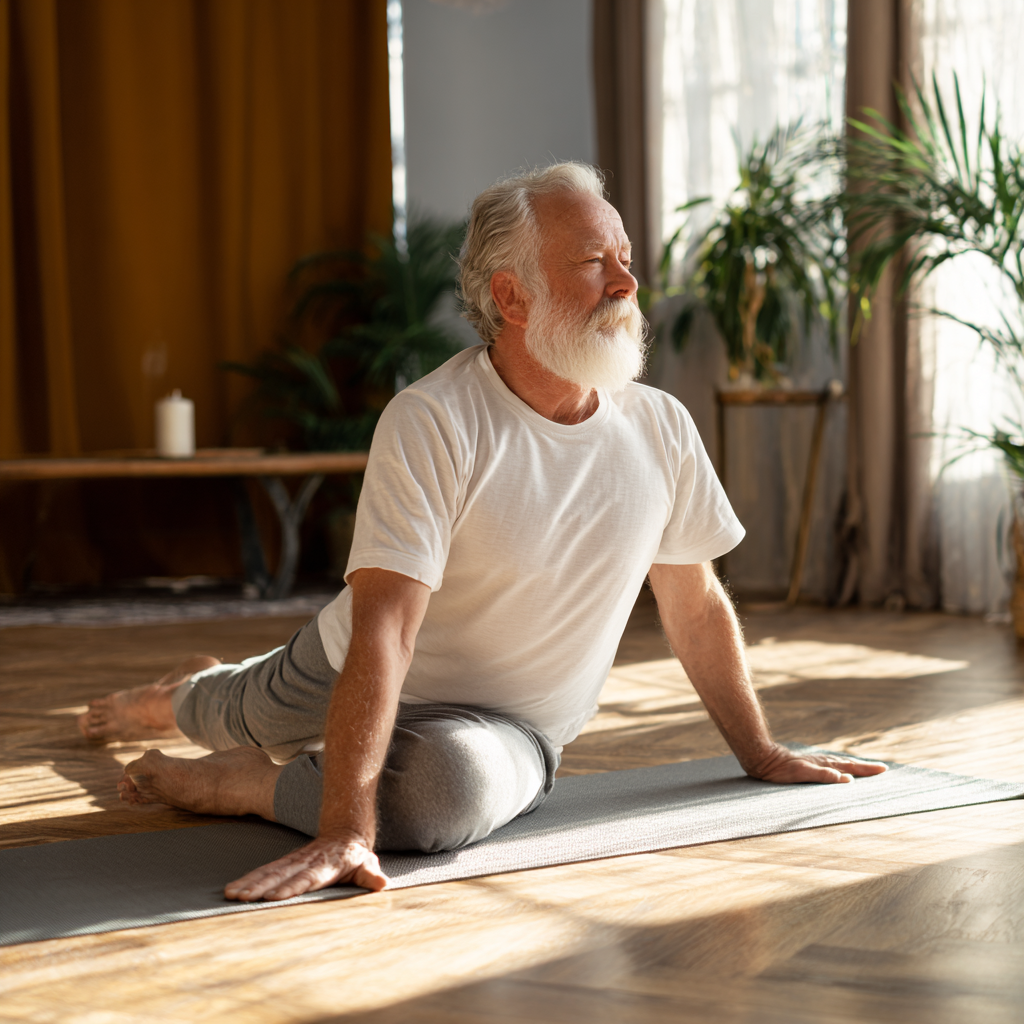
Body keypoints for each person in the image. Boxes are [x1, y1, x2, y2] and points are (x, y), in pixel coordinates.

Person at [78, 163, 886, 902]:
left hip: (513, 729)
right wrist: (345, 826)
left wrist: (760, 752)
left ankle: (240, 785)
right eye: (593, 262)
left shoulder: (661, 427)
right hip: (346, 668)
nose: (628, 281)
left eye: (625, 256)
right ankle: (167, 695)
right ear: (512, 298)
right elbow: (386, 629)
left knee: (438, 798)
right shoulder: (432, 419)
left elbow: (697, 605)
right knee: (221, 709)